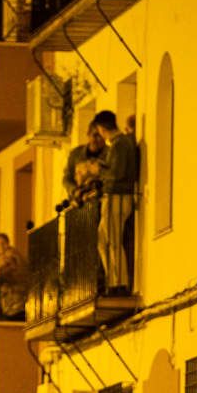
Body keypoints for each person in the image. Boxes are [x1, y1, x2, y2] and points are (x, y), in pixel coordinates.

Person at [92, 110, 138, 295]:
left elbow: (116, 174)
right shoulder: (121, 144)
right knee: (104, 240)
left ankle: (118, 283)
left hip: (116, 198)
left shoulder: (119, 145)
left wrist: (99, 171)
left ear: (102, 129)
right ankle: (114, 281)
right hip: (115, 198)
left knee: (112, 241)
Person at [0, 233, 28, 320]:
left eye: (2, 244)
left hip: (15, 303)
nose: (0, 247)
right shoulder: (10, 255)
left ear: (7, 244)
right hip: (15, 302)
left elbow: (1, 269)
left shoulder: (9, 255)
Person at [63, 121, 107, 208]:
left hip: (101, 206)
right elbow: (67, 178)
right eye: (95, 135)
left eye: (102, 136)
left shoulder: (110, 155)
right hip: (80, 207)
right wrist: (75, 191)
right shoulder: (76, 154)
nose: (98, 140)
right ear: (88, 135)